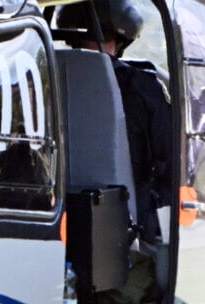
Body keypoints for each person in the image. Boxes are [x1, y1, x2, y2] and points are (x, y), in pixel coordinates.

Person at [55, 0, 172, 244]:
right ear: (121, 40)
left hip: (52, 218)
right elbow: (171, 159)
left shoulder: (44, 78)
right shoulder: (143, 88)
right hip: (124, 234)